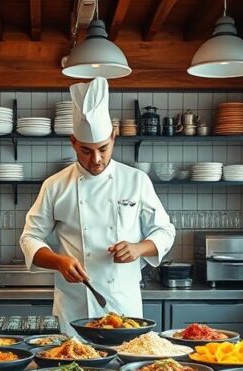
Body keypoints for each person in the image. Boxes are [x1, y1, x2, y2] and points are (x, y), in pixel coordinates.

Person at [20, 77, 176, 330]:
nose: (96, 159)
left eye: (103, 148)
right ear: (73, 142)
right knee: (71, 367)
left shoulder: (136, 181)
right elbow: (30, 238)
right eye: (85, 150)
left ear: (114, 137)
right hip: (74, 309)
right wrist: (59, 262)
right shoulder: (55, 185)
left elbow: (165, 231)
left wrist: (139, 248)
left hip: (124, 306)